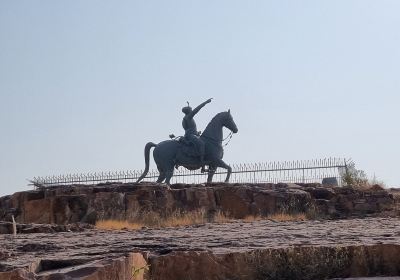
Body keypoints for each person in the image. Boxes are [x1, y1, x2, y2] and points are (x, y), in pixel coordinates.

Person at [181, 98, 212, 172]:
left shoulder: (186, 118)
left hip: (192, 134)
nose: (192, 110)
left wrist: (197, 133)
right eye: (191, 110)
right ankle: (202, 163)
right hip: (190, 135)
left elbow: (190, 128)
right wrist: (205, 102)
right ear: (188, 111)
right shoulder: (188, 117)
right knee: (201, 144)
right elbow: (197, 109)